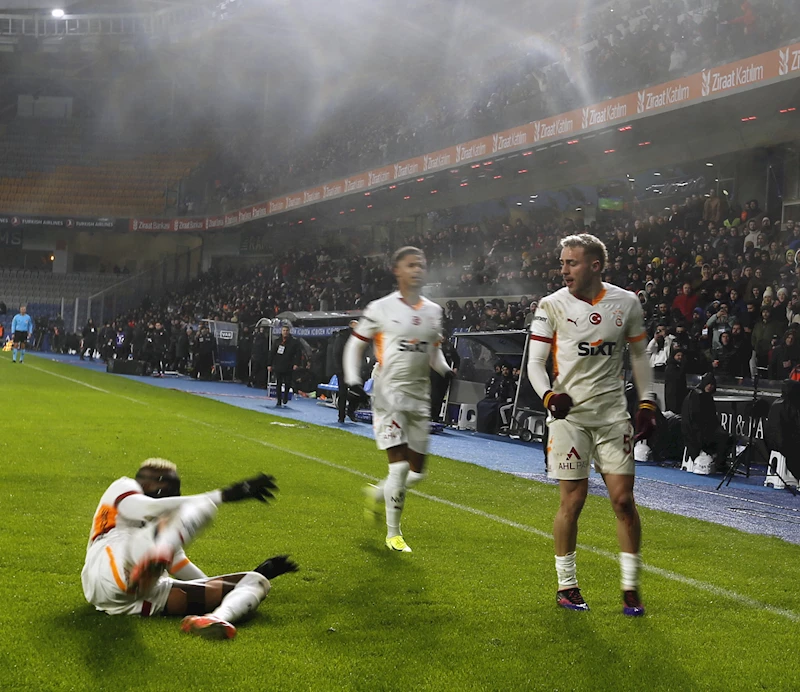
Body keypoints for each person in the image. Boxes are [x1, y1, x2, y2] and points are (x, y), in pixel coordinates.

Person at [527, 233, 657, 616]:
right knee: (574, 500)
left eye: (572, 262)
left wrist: (647, 402)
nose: (563, 269)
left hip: (612, 416)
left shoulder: (626, 302)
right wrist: (550, 397)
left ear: (595, 265)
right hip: (569, 418)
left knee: (623, 500)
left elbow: (640, 356)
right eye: (563, 262)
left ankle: (630, 588)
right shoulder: (550, 305)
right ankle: (567, 586)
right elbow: (535, 363)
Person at [82, 458, 297, 639]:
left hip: (132, 600)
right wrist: (224, 495)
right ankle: (147, 570)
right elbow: (145, 507)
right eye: (171, 487)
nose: (176, 494)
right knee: (202, 507)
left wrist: (255, 574)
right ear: (152, 484)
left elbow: (201, 580)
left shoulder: (166, 533)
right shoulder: (124, 487)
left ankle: (215, 618)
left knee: (255, 582)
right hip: (110, 563)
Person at [343, 246, 454, 553]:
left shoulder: (433, 311)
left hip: (419, 395)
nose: (417, 269)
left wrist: (446, 369)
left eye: (421, 264)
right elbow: (355, 346)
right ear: (397, 270)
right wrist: (353, 380)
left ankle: (378, 495)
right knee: (400, 468)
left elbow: (433, 351)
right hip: (388, 393)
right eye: (411, 265)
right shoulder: (381, 308)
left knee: (418, 473)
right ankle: (394, 534)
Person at [332, 320, 360, 423]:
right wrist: (338, 369)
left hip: (354, 370)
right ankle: (341, 416)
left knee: (357, 392)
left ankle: (350, 411)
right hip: (343, 370)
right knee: (343, 393)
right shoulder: (342, 337)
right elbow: (336, 354)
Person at [269, 323, 301, 407]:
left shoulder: (294, 342)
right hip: (278, 365)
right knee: (278, 383)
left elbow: (298, 354)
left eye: (287, 331)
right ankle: (279, 400)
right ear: (281, 331)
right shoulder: (277, 341)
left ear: (289, 331)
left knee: (288, 383)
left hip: (289, 365)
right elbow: (272, 353)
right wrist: (270, 364)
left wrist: (296, 363)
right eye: (284, 330)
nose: (285, 332)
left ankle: (286, 396)